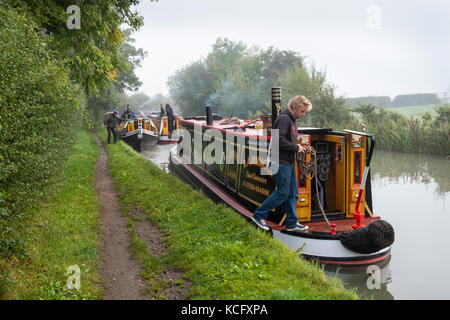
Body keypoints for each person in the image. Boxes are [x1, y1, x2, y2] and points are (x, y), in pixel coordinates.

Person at [251, 95, 312, 232]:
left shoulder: (291, 120)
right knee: (283, 193)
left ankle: (291, 223)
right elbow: (278, 140)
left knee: (293, 193)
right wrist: (296, 148)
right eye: (302, 111)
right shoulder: (284, 119)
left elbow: (286, 140)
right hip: (279, 161)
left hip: (287, 161)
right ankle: (258, 215)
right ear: (294, 108)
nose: (303, 114)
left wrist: (300, 147)